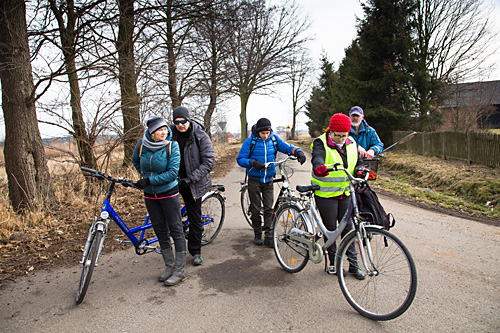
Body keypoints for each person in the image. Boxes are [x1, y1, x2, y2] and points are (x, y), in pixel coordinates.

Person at [131, 116, 186, 286]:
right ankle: (169, 267)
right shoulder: (142, 145)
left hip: (168, 193)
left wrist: (149, 180)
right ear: (151, 132)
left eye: (164, 129)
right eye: (159, 130)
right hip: (150, 196)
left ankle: (179, 270)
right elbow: (135, 161)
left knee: (176, 229)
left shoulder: (172, 146)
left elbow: (172, 173)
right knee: (160, 230)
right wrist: (144, 176)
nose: (164, 132)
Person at [311, 113, 366, 280]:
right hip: (326, 194)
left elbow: (357, 162)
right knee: (331, 230)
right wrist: (320, 166)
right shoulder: (321, 142)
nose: (342, 139)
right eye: (338, 135)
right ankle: (334, 263)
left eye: (345, 135)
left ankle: (354, 265)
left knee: (348, 228)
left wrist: (362, 169)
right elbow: (317, 158)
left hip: (345, 192)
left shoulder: (351, 142)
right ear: (331, 131)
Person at [237, 118, 306, 247]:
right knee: (256, 210)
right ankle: (257, 232)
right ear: (258, 132)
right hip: (254, 180)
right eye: (263, 133)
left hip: (268, 179)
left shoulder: (273, 139)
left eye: (267, 133)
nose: (266, 136)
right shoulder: (250, 142)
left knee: (269, 209)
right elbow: (240, 159)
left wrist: (297, 151)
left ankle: (269, 235)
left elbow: (286, 147)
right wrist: (252, 163)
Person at [170, 106, 215, 266]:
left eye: (183, 121)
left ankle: (196, 251)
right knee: (171, 215)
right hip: (174, 180)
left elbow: (209, 161)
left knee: (194, 216)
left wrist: (191, 178)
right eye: (177, 122)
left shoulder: (200, 135)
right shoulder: (169, 134)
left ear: (188, 120)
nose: (180, 125)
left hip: (193, 182)